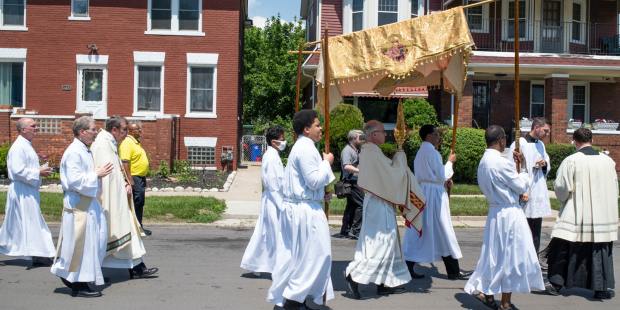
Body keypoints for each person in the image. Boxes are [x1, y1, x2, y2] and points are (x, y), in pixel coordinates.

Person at [464, 125, 544, 310]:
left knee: (494, 255)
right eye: (504, 139)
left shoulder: (484, 161)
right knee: (511, 256)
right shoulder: (501, 162)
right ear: (500, 139)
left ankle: (489, 294)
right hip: (509, 214)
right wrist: (523, 167)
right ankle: (505, 302)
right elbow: (521, 185)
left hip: (495, 213)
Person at [344, 120, 426, 299]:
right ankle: (354, 276)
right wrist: (400, 155)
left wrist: (398, 157)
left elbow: (388, 173)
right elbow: (393, 174)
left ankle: (384, 283)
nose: (386, 134)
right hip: (378, 204)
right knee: (381, 243)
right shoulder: (371, 152)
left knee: (389, 244)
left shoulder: (372, 151)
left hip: (380, 202)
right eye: (382, 131)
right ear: (373, 135)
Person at [267, 110, 335, 309]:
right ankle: (293, 300)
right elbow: (314, 180)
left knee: (302, 257)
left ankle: (301, 297)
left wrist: (320, 194)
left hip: (301, 206)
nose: (321, 128)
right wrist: (326, 163)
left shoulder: (303, 146)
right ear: (306, 129)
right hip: (304, 211)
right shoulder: (305, 148)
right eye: (317, 125)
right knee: (316, 255)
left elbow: (304, 182)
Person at [545, 128, 617, 300]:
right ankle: (600, 288)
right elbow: (614, 188)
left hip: (578, 213)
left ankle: (557, 284)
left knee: (564, 247)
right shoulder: (608, 161)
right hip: (603, 216)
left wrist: (562, 197)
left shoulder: (572, 160)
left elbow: (562, 188)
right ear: (591, 139)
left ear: (575, 141)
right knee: (599, 251)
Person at [50, 116, 114, 297]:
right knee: (81, 245)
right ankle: (77, 283)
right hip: (80, 206)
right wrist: (97, 174)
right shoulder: (73, 152)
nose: (96, 132)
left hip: (88, 204)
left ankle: (87, 276)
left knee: (94, 242)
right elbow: (75, 181)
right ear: (82, 132)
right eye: (93, 129)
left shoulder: (84, 150)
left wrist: (97, 175)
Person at [91, 116, 158, 279]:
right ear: (114, 130)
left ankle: (136, 267)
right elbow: (106, 175)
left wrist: (125, 184)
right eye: (124, 130)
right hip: (111, 200)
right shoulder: (102, 144)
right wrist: (123, 186)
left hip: (119, 197)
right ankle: (93, 272)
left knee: (129, 233)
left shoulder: (110, 142)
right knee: (111, 235)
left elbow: (116, 170)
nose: (126, 133)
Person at [403, 125, 471, 280]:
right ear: (428, 136)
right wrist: (450, 162)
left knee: (421, 229)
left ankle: (451, 269)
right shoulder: (432, 153)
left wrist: (443, 181)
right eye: (435, 134)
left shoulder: (421, 152)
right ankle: (453, 270)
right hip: (433, 196)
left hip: (425, 192)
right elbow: (441, 175)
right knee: (443, 229)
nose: (438, 137)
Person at [0, 118, 55, 267]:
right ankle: (41, 254)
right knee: (32, 223)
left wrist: (39, 166)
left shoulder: (26, 145)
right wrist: (39, 171)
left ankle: (38, 253)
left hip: (27, 190)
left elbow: (25, 166)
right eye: (33, 126)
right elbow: (18, 171)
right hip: (22, 191)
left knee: (18, 224)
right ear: (23, 129)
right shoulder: (18, 147)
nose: (36, 128)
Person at [240, 126, 286, 275]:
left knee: (266, 232)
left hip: (272, 199)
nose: (284, 141)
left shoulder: (272, 155)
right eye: (282, 139)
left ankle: (257, 264)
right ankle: (273, 267)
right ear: (274, 141)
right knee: (274, 233)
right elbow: (273, 183)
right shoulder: (272, 157)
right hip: (274, 200)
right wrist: (281, 204)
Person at [509, 117, 551, 255]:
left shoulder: (541, 144)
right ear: (536, 127)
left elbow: (546, 161)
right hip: (526, 187)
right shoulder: (520, 142)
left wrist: (544, 164)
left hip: (538, 187)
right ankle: (521, 257)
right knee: (523, 227)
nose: (547, 134)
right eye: (545, 130)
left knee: (536, 227)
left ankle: (534, 257)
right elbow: (512, 164)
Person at [119, 122, 151, 236]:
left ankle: (139, 227)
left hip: (139, 177)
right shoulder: (127, 143)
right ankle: (135, 229)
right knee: (136, 202)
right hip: (134, 177)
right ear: (131, 131)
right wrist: (130, 179)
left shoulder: (136, 143)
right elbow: (125, 162)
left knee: (140, 202)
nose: (140, 131)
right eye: (138, 129)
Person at [338, 129, 365, 239]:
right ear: (354, 138)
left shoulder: (355, 150)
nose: (362, 139)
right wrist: (361, 171)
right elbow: (346, 166)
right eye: (360, 137)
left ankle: (346, 230)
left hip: (354, 181)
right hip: (352, 182)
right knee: (361, 204)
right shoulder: (347, 150)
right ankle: (355, 230)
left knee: (352, 206)